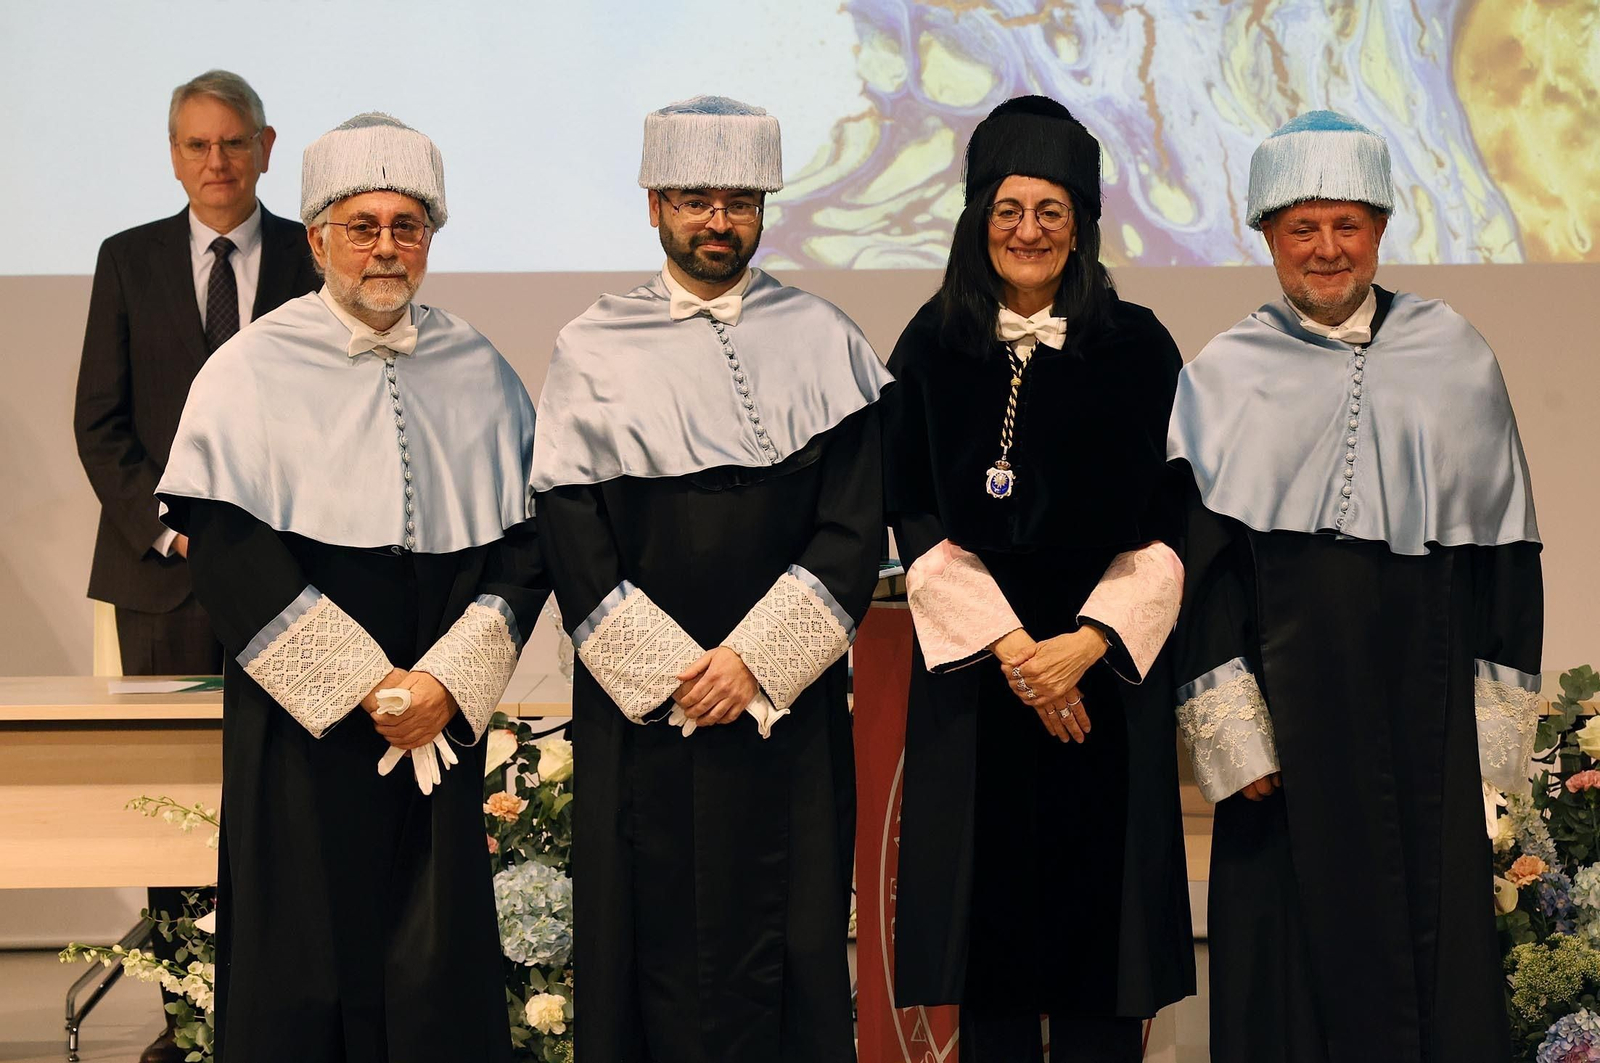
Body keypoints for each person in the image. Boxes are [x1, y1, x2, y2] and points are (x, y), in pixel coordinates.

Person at [155, 113, 548, 1063]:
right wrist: (364, 689)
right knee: (305, 965)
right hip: (305, 729)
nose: (384, 246)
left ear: (429, 239)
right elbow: (230, 549)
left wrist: (446, 684)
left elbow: (526, 548)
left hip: (437, 723)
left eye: (406, 226)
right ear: (319, 236)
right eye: (361, 225)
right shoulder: (246, 370)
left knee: (433, 964)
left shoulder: (482, 370)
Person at [1167, 110, 1542, 1063]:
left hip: (1431, 732)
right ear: (1267, 237)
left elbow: (1504, 563)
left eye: (1347, 225)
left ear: (1379, 229)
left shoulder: (1456, 355)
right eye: (1304, 228)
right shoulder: (1223, 377)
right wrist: (1236, 738)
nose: (1326, 249)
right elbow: (1200, 580)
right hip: (1287, 745)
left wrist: (1494, 757)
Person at [532, 95, 892, 1063]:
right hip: (644, 711)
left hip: (784, 707)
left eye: (738, 200)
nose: (717, 221)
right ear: (654, 204)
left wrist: (755, 663)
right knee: (646, 929)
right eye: (695, 198)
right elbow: (572, 529)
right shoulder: (592, 346)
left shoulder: (823, 338)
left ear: (766, 208)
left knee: (791, 930)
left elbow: (854, 524)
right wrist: (672, 673)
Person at [885, 95, 1194, 1063]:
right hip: (983, 684)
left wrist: (1085, 644)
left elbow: (1173, 515)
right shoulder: (929, 346)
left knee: (1102, 967)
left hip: (1101, 678)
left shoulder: (1138, 345)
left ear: (1082, 226)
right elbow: (913, 513)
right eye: (1008, 210)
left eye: (1050, 212)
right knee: (995, 967)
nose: (1027, 231)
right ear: (979, 218)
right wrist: (1018, 652)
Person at [71, 68, 319, 1063]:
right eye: (195, 145)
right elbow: (100, 423)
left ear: (266, 147)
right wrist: (172, 530)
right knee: (173, 808)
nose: (215, 163)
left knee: (289, 797)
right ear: (173, 155)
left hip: (298, 581)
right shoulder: (126, 259)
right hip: (164, 581)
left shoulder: (317, 252)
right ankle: (188, 1017)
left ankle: (284, 1015)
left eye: (233, 143)